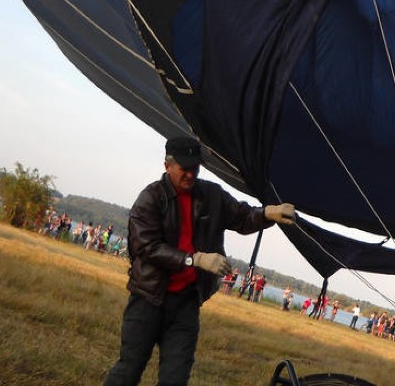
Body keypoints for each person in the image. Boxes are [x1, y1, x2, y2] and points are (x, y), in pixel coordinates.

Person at [103, 136, 296, 386]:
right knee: (129, 369)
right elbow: (146, 247)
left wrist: (267, 213)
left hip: (186, 302)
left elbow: (243, 217)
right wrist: (194, 260)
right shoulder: (150, 198)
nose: (190, 174)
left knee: (176, 378)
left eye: (195, 167)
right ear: (167, 165)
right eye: (184, 168)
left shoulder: (211, 195)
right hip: (148, 299)